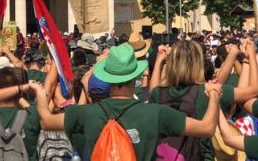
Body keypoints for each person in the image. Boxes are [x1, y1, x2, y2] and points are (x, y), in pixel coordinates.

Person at [32, 43, 222, 161]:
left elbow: (46, 121)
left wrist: (41, 93)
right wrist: (213, 94)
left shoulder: (85, 113)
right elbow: (206, 128)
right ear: (136, 77)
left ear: (106, 76)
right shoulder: (156, 113)